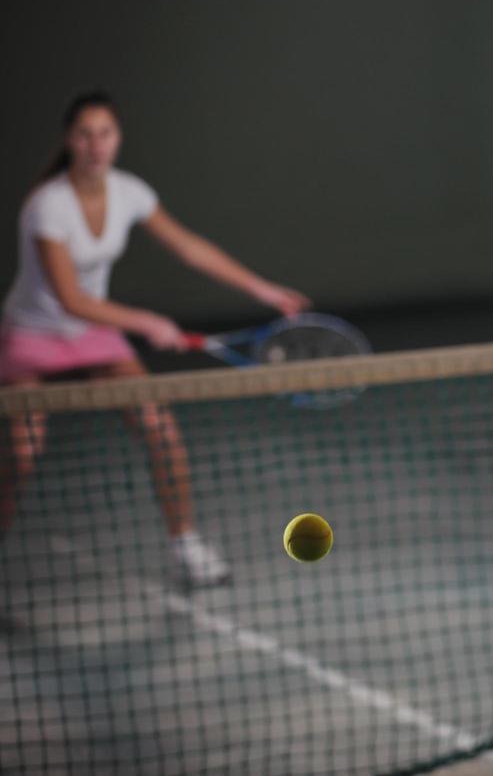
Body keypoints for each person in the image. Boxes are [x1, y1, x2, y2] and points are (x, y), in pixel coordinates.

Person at [0, 91, 310, 587]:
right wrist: (145, 322)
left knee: (159, 428)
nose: (96, 145)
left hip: (94, 337)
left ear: (117, 139)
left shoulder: (129, 192)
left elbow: (189, 247)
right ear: (69, 140)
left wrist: (260, 287)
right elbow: (69, 298)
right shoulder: (46, 205)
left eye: (106, 133)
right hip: (34, 337)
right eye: (85, 134)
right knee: (21, 453)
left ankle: (186, 546)